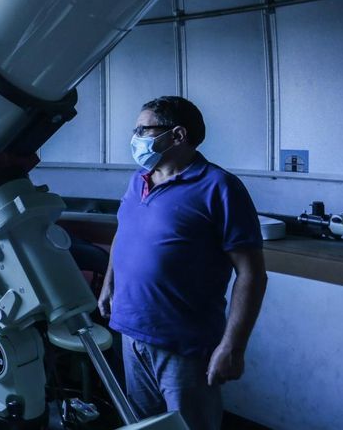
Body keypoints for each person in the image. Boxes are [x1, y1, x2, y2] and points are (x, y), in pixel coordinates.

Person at [97, 96, 268, 430]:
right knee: (146, 425)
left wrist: (233, 346)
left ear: (177, 135)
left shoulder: (220, 187)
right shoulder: (139, 179)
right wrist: (108, 283)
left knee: (189, 425)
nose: (135, 138)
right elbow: (125, 230)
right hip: (131, 332)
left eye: (143, 129)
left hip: (184, 344)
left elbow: (251, 274)